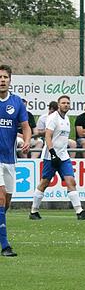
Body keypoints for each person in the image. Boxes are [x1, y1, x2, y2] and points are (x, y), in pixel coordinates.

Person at [28, 95, 85, 221]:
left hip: (63, 156)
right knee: (44, 183)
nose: (66, 105)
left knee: (71, 181)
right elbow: (48, 136)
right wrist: (52, 153)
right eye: (63, 103)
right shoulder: (53, 118)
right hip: (51, 156)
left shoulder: (67, 119)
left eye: (68, 103)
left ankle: (79, 211)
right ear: (58, 105)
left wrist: (60, 153)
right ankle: (34, 211)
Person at [0, 64, 31, 257]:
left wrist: (26, 141)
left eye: (5, 77)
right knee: (1, 197)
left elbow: (26, 126)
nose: (2, 80)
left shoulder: (17, 102)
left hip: (10, 159)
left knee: (7, 202)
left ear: (10, 80)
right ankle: (5, 246)